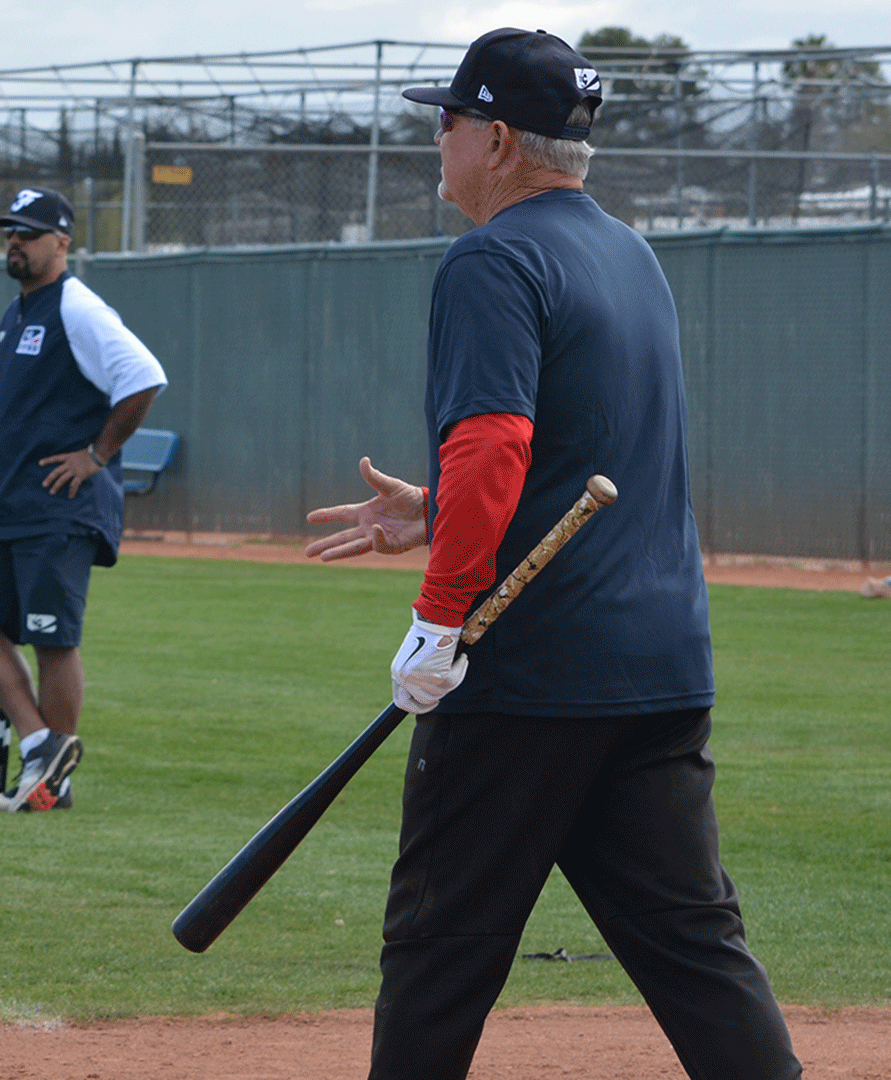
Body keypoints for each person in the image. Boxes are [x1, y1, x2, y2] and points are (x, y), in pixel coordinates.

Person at [301, 29, 800, 1080]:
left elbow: (496, 444)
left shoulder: (495, 255)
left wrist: (439, 617)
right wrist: (437, 510)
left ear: (494, 139)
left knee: (439, 951)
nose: (435, 140)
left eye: (446, 120)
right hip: (660, 669)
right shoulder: (630, 251)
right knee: (697, 950)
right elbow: (580, 446)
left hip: (528, 677)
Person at [0, 188, 166, 813]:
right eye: (9, 232)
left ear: (63, 243)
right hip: (9, 512)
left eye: (29, 233)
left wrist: (96, 456)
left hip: (58, 509)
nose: (15, 242)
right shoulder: (19, 310)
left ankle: (51, 784)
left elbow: (144, 375)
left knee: (52, 639)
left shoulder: (77, 306)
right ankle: (44, 747)